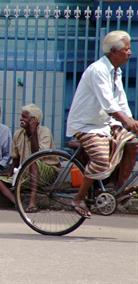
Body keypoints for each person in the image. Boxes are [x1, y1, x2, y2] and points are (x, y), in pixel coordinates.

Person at [66, 30, 138, 218]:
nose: (130, 52)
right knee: (100, 160)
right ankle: (79, 198)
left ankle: (117, 189)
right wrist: (126, 121)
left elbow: (120, 101)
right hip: (86, 125)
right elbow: (108, 103)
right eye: (126, 49)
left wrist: (131, 122)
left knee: (132, 144)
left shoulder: (116, 71)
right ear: (113, 51)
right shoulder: (98, 70)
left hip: (104, 123)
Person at [0, 104, 58, 212]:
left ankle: (33, 202)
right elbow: (15, 159)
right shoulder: (18, 134)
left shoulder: (44, 132)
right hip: (26, 172)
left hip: (47, 170)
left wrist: (33, 132)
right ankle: (18, 204)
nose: (21, 119)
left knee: (32, 161)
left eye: (24, 117)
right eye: (21, 116)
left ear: (34, 120)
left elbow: (37, 154)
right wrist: (9, 172)